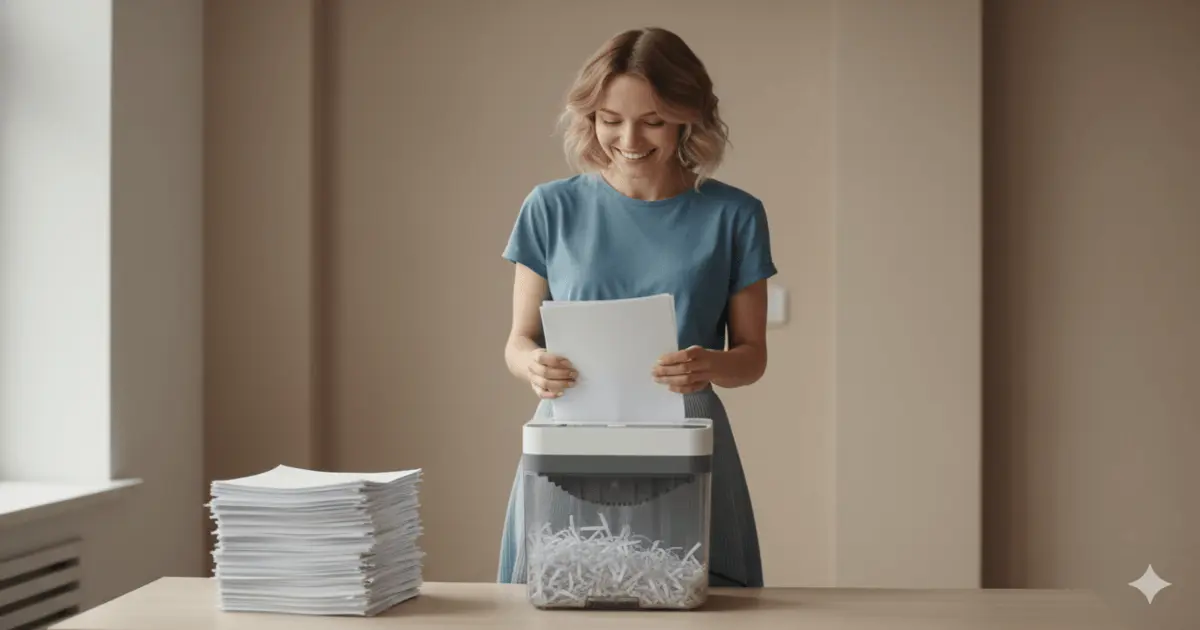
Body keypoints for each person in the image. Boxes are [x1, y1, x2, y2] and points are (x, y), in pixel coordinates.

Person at [496, 26, 776, 589]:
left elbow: (751, 358)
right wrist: (533, 366)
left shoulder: (735, 216)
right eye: (610, 118)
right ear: (590, 118)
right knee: (563, 596)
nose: (629, 137)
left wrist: (708, 364)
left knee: (690, 598)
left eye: (652, 119)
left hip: (686, 435)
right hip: (571, 432)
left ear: (687, 116)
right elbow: (519, 340)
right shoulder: (550, 207)